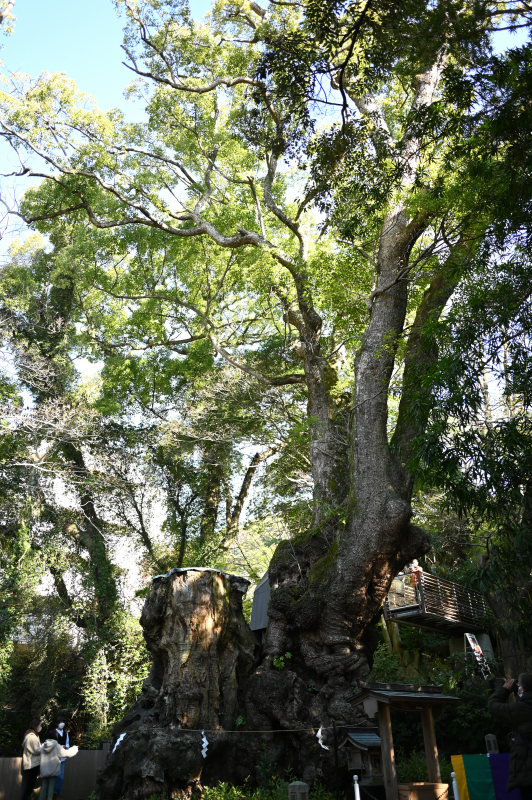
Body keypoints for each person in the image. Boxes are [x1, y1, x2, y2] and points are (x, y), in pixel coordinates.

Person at [488, 673, 532, 800]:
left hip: (527, 770)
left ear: (522, 689)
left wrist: (505, 689)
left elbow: (493, 706)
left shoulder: (520, 709)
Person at [38, 729, 78, 800]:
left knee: (43, 787)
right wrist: (75, 748)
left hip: (44, 769)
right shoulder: (57, 746)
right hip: (53, 769)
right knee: (51, 787)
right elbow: (67, 754)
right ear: (56, 736)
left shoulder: (43, 745)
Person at [20, 718, 42, 800]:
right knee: (30, 785)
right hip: (32, 764)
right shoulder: (32, 737)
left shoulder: (30, 735)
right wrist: (43, 747)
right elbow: (36, 750)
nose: (41, 727)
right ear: (35, 726)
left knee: (30, 784)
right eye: (40, 725)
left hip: (31, 763)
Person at [53, 716, 70, 797]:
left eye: (63, 722)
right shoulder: (53, 732)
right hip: (53, 758)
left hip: (62, 758)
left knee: (60, 777)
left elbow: (67, 744)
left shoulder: (66, 734)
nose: (62, 724)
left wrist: (66, 747)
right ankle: (49, 794)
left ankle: (57, 793)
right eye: (60, 722)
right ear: (57, 724)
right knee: (52, 776)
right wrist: (62, 746)